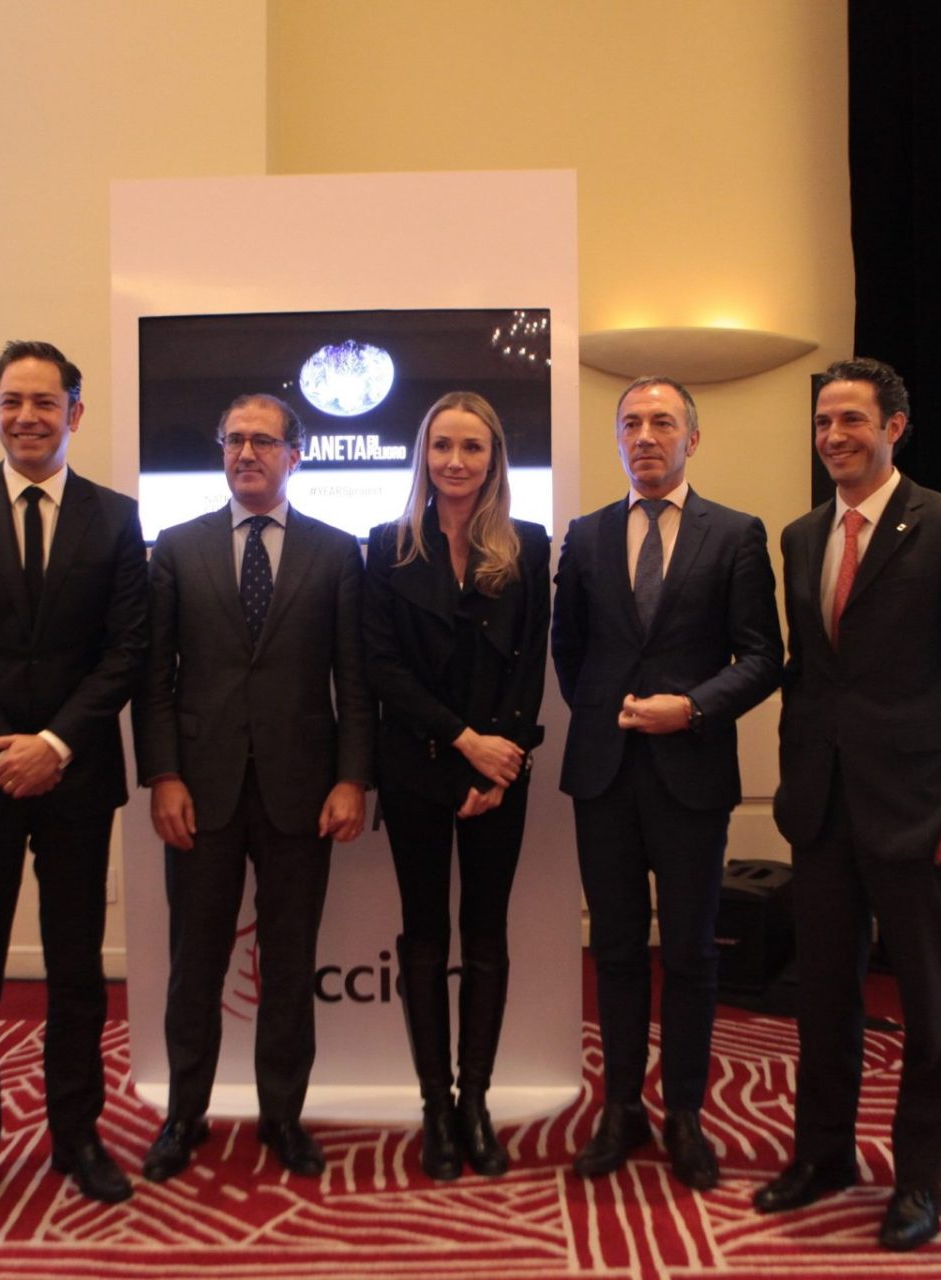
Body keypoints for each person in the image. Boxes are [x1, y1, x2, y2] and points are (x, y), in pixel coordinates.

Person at [755, 357, 941, 1251]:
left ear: (894, 426)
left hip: (921, 812)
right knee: (823, 998)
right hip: (823, 810)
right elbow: (811, 676)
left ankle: (919, 1183)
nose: (835, 436)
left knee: (930, 1009)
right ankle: (823, 1155)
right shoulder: (800, 536)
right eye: (824, 422)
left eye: (853, 421)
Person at [0, 340, 149, 1235]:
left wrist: (52, 744)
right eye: (12, 401)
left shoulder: (117, 520)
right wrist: (1, 750)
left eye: (46, 402)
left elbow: (127, 651)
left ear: (75, 414)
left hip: (75, 780)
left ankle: (76, 1138)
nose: (27, 417)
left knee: (77, 974)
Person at [132, 392, 374, 1181]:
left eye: (263, 441)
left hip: (302, 793)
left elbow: (355, 684)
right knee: (193, 964)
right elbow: (154, 681)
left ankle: (283, 1118)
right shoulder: (174, 548)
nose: (246, 454)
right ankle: (183, 1116)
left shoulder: (339, 554)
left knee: (290, 961)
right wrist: (162, 774)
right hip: (197, 794)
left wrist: (351, 780)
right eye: (233, 439)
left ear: (294, 455)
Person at [551, 375, 782, 1190]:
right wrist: (611, 711)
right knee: (613, 948)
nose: (644, 436)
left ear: (693, 437)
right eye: (631, 424)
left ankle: (684, 1111)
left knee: (688, 951)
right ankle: (621, 1108)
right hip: (604, 773)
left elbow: (762, 657)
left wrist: (689, 708)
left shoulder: (737, 535)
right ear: (617, 440)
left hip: (691, 774)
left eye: (662, 422)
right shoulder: (582, 537)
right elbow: (571, 654)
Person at [362, 392, 550, 1181]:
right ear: (423, 454)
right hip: (417, 768)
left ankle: (477, 1102)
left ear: (493, 457)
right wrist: (465, 742)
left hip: (499, 773)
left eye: (472, 447)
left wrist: (499, 759)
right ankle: (434, 1105)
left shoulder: (530, 546)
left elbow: (532, 663)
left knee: (486, 934)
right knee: (424, 935)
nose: (456, 461)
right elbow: (383, 669)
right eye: (442, 445)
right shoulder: (387, 546)